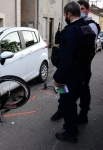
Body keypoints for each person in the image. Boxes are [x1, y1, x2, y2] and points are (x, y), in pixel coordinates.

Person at [53, 1, 96, 143]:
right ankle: (81, 118)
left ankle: (70, 132)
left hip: (69, 78)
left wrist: (57, 78)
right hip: (84, 73)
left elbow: (66, 59)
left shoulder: (71, 30)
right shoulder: (87, 28)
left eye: (66, 14)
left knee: (66, 102)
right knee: (79, 96)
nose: (66, 16)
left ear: (69, 14)